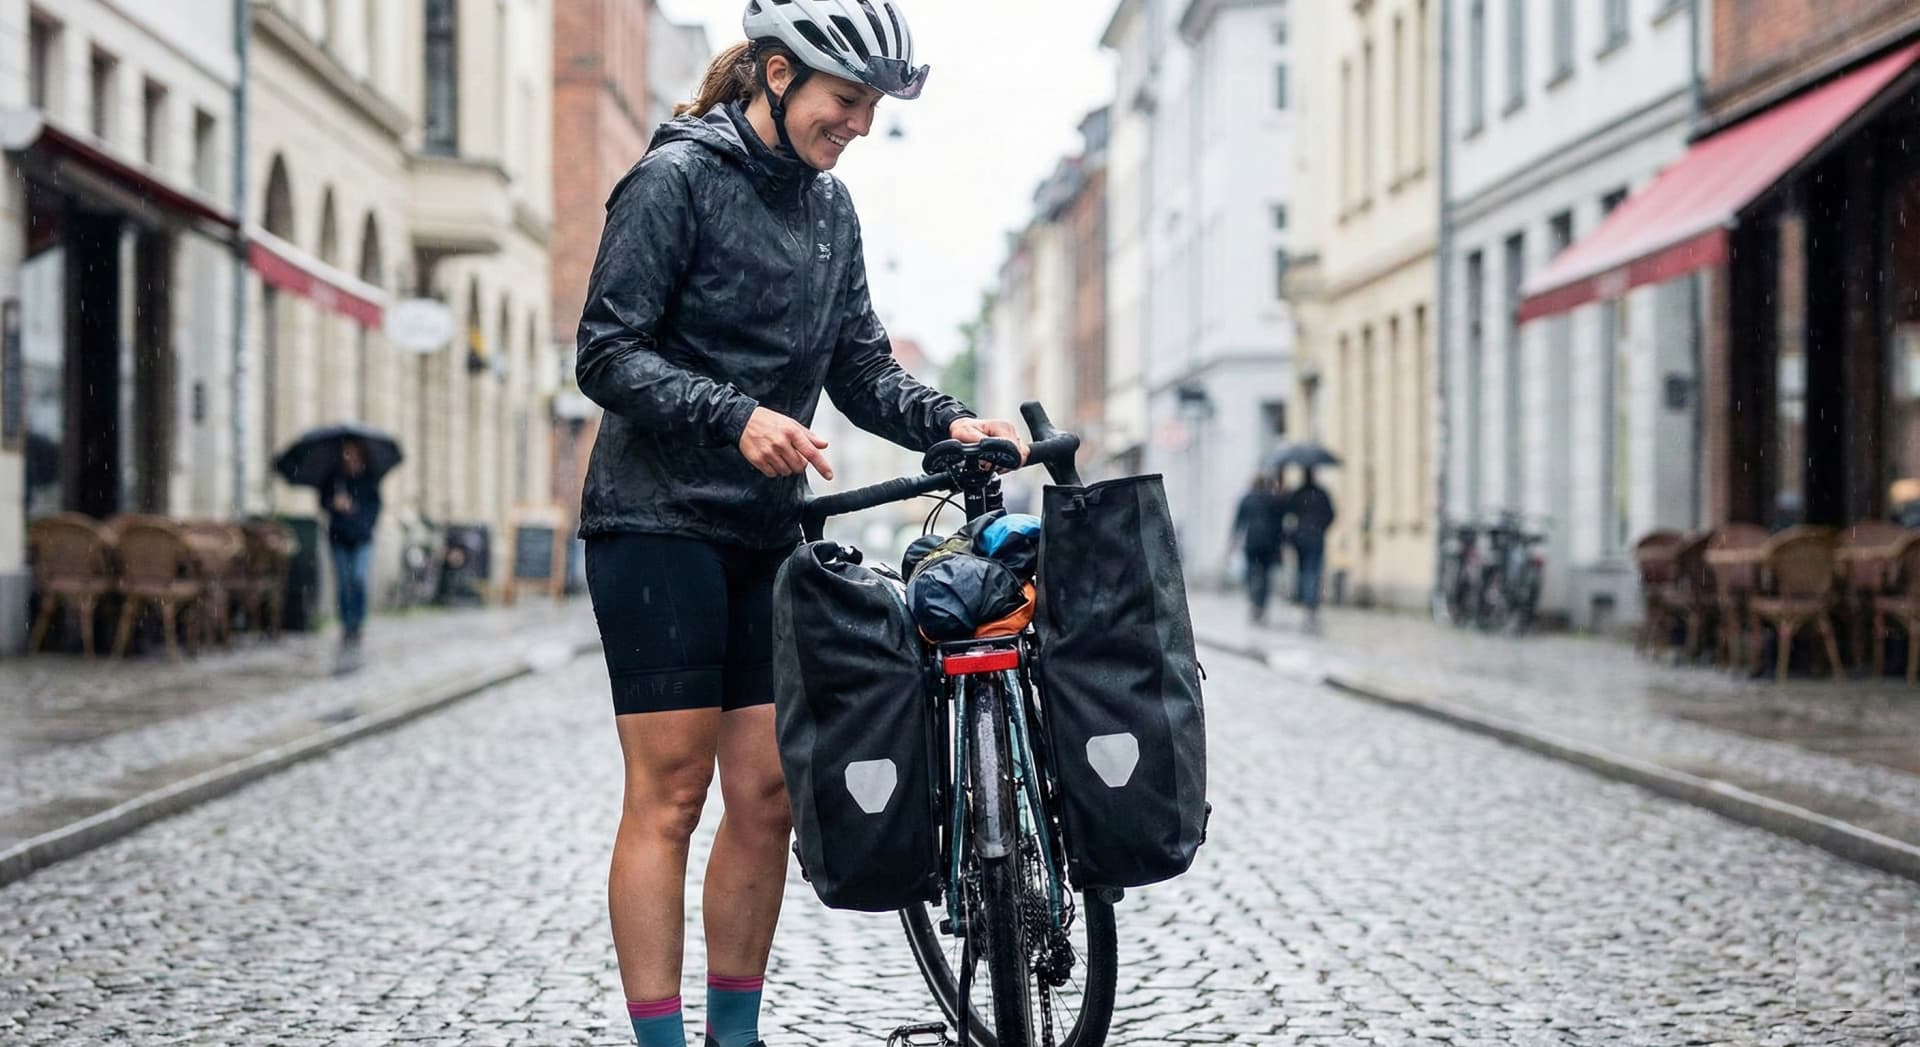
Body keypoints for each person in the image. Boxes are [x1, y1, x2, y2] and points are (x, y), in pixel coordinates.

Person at [572, 5, 1025, 1045]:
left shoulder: (829, 209)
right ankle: (660, 1039)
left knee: (769, 790)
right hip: (655, 526)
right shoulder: (673, 180)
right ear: (775, 75)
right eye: (847, 101)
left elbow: (857, 364)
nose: (859, 125)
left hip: (764, 533)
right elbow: (607, 351)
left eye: (870, 108)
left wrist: (948, 421)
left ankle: (737, 1034)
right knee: (673, 792)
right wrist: (732, 417)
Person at [321, 438, 381, 646]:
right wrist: (334, 504)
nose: (350, 457)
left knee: (358, 579)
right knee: (344, 582)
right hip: (339, 538)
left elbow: (374, 509)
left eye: (354, 453)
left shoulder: (368, 480)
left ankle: (358, 622)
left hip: (362, 539)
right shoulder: (334, 479)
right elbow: (324, 502)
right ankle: (346, 624)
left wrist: (356, 513)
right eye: (346, 453)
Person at [1227, 473, 1287, 623]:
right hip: (1269, 543)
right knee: (1265, 576)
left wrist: (1233, 542)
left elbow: (1239, 522)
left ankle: (1254, 602)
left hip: (1252, 542)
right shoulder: (1273, 499)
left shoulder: (1247, 499)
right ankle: (1261, 605)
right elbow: (1280, 523)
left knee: (1253, 573)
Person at [1286, 466, 1338, 627]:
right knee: (1313, 569)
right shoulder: (1321, 494)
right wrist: (1321, 527)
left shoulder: (1298, 494)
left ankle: (1306, 600)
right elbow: (1331, 515)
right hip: (1315, 536)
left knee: (1303, 570)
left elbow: (1288, 513)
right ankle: (1310, 602)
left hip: (1301, 537)